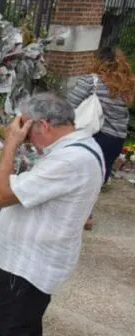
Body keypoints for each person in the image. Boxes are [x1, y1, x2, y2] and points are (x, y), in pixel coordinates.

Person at [0, 93, 104, 336]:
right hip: (35, 260)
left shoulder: (71, 159)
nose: (27, 139)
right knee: (27, 328)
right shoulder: (78, 147)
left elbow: (1, 194)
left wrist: (10, 145)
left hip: (28, 264)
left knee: (10, 332)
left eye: (27, 132)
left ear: (43, 126)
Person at [66, 47, 135, 230]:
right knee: (98, 176)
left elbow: (69, 105)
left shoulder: (91, 81)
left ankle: (78, 215)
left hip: (95, 133)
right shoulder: (125, 84)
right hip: (117, 137)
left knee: (80, 174)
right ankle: (86, 214)